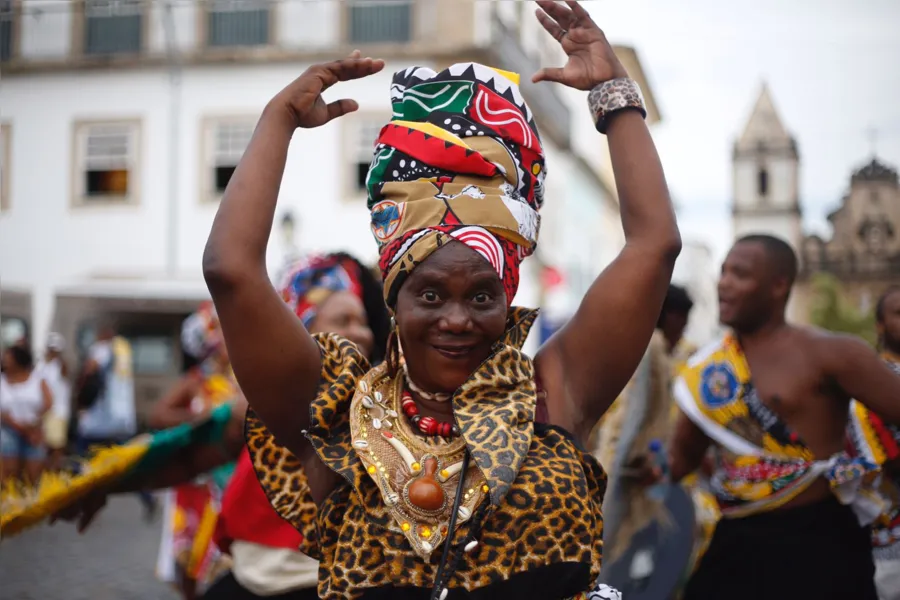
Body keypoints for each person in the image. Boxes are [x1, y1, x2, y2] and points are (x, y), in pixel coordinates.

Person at [202, 1, 680, 597]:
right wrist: (278, 121)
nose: (457, 319)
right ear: (394, 300)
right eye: (429, 294)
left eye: (482, 296)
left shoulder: (553, 395)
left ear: (508, 299)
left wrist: (614, 94)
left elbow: (654, 246)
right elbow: (230, 272)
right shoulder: (336, 416)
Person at [671, 234, 900, 600]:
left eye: (740, 274)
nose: (724, 283)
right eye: (723, 272)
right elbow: (680, 460)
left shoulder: (833, 353)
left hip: (820, 544)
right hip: (736, 542)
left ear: (779, 285)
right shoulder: (709, 371)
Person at [152, 302, 240, 600]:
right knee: (189, 554)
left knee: (224, 554)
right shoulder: (195, 381)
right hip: (197, 482)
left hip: (232, 479)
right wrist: (199, 418)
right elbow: (159, 414)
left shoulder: (242, 377)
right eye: (224, 333)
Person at [75, 319, 157, 519]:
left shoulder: (100, 350)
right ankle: (146, 495)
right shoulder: (124, 350)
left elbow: (90, 371)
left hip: (99, 418)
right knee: (127, 463)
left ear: (102, 333)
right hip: (122, 418)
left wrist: (81, 397)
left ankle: (78, 502)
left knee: (83, 458)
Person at [847, 285, 900, 600]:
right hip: (892, 548)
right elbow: (890, 462)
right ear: (880, 325)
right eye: (899, 313)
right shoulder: (873, 382)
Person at [1, 344, 53, 482]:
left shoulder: (37, 379)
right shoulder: (2, 381)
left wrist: (35, 426)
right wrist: (22, 429)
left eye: (8, 358)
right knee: (10, 473)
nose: (4, 361)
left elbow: (48, 403)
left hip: (35, 430)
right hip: (9, 431)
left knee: (33, 474)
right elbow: (3, 413)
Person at [39, 332, 72, 469]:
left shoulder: (61, 365)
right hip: (43, 412)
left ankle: (55, 471)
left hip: (58, 412)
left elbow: (65, 370)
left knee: (57, 446)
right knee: (44, 446)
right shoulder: (41, 365)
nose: (52, 352)